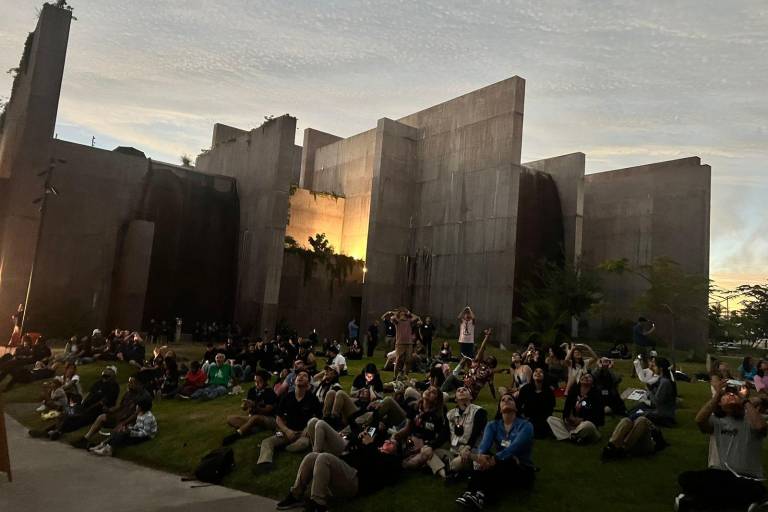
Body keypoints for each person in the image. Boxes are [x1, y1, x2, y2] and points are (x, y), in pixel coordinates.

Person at [675, 380, 768, 511]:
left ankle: (691, 501)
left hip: (747, 478)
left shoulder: (751, 419)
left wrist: (745, 401)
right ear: (719, 403)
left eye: (734, 394)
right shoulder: (717, 421)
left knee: (739, 487)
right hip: (721, 475)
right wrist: (717, 394)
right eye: (726, 395)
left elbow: (761, 427)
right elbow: (699, 420)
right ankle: (745, 504)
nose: (731, 395)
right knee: (686, 477)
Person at [275, 430, 402, 511]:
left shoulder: (390, 460)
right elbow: (352, 456)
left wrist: (370, 445)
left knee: (324, 457)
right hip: (347, 472)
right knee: (312, 457)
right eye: (387, 440)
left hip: (357, 483)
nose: (386, 441)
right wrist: (358, 441)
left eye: (391, 443)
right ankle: (296, 494)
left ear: (395, 451)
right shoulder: (374, 449)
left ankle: (318, 504)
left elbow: (377, 467)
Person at [455, 393, 535, 510]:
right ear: (499, 408)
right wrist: (482, 456)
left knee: (507, 460)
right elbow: (484, 445)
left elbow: (515, 447)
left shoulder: (526, 426)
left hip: (521, 467)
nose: (506, 401)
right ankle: (471, 493)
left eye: (510, 399)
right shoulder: (493, 425)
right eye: (503, 400)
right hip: (499, 463)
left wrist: (495, 459)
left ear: (516, 407)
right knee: (485, 457)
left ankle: (481, 494)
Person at [256, 369, 321, 471]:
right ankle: (264, 462)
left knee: (302, 444)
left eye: (304, 376)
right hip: (287, 431)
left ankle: (284, 447)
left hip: (303, 433)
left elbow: (318, 417)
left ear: (308, 383)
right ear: (295, 380)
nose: (300, 377)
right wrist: (287, 431)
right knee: (266, 442)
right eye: (299, 375)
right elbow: (278, 418)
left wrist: (307, 428)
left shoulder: (312, 398)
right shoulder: (287, 397)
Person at [72, 376, 152, 449]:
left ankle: (102, 445)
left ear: (138, 384)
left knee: (119, 428)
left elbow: (137, 414)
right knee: (102, 417)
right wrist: (109, 410)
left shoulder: (143, 396)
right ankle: (86, 438)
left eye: (131, 382)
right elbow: (121, 406)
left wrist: (124, 423)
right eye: (129, 382)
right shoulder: (128, 393)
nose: (129, 384)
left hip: (130, 421)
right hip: (120, 416)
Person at [433, 386, 487, 478]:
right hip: (454, 451)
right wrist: (430, 447)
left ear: (471, 397)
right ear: (455, 398)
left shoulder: (479, 412)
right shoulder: (450, 414)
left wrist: (467, 448)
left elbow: (476, 433)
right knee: (430, 453)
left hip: (470, 451)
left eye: (465, 390)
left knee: (456, 463)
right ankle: (446, 474)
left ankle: (444, 468)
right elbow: (444, 434)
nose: (461, 391)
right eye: (458, 390)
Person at [394, 385, 449, 476]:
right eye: (428, 389)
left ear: (436, 400)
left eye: (433, 392)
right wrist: (397, 435)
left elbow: (440, 437)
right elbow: (407, 428)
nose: (429, 391)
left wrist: (427, 446)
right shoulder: (414, 407)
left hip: (426, 446)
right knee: (393, 445)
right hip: (410, 440)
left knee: (410, 464)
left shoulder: (438, 416)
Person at [223, 370, 278, 445]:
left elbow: (267, 410)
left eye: (260, 381)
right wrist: (244, 405)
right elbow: (245, 408)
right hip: (252, 418)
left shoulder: (270, 392)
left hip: (268, 418)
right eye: (255, 381)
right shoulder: (252, 390)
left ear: (265, 381)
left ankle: (238, 434)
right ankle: (252, 429)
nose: (257, 383)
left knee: (256, 417)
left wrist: (254, 406)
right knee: (230, 419)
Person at [547, 373, 604, 444]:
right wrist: (567, 419)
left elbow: (598, 416)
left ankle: (569, 435)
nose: (586, 377)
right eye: (584, 376)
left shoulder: (596, 394)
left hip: (585, 425)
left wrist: (582, 420)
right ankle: (573, 437)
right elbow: (566, 410)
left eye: (589, 377)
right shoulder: (573, 391)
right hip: (571, 425)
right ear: (580, 379)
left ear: (593, 382)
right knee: (551, 419)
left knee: (587, 425)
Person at [89, 397, 157, 457]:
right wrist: (129, 428)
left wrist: (131, 432)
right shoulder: (140, 414)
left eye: (138, 406)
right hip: (139, 432)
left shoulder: (148, 417)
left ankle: (108, 450)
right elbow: (138, 426)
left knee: (122, 434)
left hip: (146, 437)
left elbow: (145, 433)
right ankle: (103, 445)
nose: (136, 407)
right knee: (120, 431)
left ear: (142, 407)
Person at [442, 330, 496, 400]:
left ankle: (447, 396)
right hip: (462, 383)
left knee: (451, 398)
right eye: (489, 357)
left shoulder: (490, 372)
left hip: (470, 391)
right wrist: (486, 337)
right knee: (451, 377)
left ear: (492, 364)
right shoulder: (480, 363)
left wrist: (494, 396)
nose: (488, 358)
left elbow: (491, 385)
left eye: (490, 359)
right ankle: (439, 392)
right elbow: (482, 348)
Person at [602, 416, 668, 461]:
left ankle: (621, 450)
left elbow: (658, 438)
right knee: (626, 420)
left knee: (642, 420)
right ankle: (611, 446)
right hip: (628, 439)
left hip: (644, 443)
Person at [381, 307, 421, 379]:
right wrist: (395, 313)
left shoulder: (409, 321)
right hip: (400, 343)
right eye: (401, 313)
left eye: (404, 313)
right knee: (398, 359)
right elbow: (392, 318)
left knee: (408, 360)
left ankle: (406, 376)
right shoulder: (397, 321)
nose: (403, 314)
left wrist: (409, 313)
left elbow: (417, 317)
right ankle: (395, 376)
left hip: (409, 343)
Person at [517, 367, 556, 438]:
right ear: (532, 375)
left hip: (543, 420)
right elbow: (518, 405)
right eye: (535, 371)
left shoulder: (549, 391)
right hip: (527, 419)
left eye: (541, 372)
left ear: (544, 376)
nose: (538, 373)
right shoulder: (525, 389)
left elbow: (550, 409)